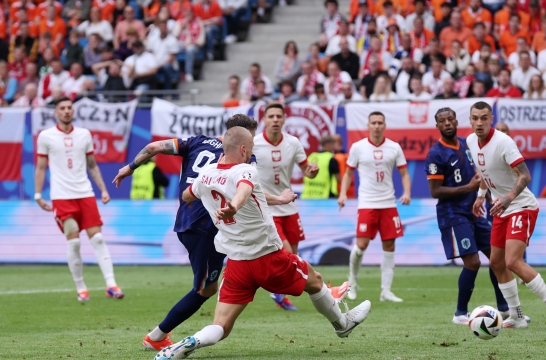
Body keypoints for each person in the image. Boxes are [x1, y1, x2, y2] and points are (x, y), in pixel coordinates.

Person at [155, 127, 371, 360]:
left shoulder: (206, 174)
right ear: (244, 149)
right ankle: (342, 324)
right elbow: (244, 190)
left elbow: (188, 195)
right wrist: (234, 206)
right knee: (315, 281)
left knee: (222, 326)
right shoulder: (246, 170)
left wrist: (215, 197)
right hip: (268, 257)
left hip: (237, 265)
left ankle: (192, 341)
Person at [113, 114, 299, 351]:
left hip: (189, 221)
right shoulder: (245, 158)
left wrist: (130, 167)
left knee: (224, 276)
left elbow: (153, 147)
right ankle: (157, 336)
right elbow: (250, 192)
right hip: (207, 228)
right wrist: (280, 199)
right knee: (206, 288)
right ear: (242, 137)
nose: (251, 144)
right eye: (251, 138)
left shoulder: (196, 141)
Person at [467, 101, 546, 330]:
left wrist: (508, 198)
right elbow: (485, 172)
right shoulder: (471, 141)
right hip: (501, 209)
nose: (479, 122)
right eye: (475, 118)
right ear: (470, 120)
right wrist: (481, 195)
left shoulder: (504, 142)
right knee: (496, 262)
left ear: (491, 119)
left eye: (484, 118)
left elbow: (525, 175)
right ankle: (517, 316)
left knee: (512, 261)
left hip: (521, 206)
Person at [426, 107, 511, 324]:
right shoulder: (436, 154)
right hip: (453, 214)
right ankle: (460, 313)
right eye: (442, 120)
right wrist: (468, 187)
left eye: (450, 119)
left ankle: (505, 311)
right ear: (437, 126)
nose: (447, 123)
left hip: (474, 210)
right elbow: (435, 191)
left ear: (456, 121)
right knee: (472, 262)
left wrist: (487, 196)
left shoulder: (467, 144)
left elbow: (479, 174)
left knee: (497, 259)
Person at [35, 97, 124, 302]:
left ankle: (111, 285)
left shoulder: (84, 134)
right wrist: (38, 195)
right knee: (74, 242)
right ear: (55, 112)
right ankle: (81, 288)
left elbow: (92, 165)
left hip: (85, 193)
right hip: (61, 196)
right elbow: (40, 167)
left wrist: (103, 189)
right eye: (62, 108)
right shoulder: (46, 136)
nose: (66, 111)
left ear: (73, 111)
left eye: (69, 108)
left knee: (98, 238)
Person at [253, 103, 321, 310]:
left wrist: (313, 171)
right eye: (271, 116)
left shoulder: (293, 142)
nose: (275, 120)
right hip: (267, 206)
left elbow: (307, 171)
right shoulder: (254, 143)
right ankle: (279, 291)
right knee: (287, 253)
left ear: (284, 120)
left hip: (289, 206)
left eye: (278, 117)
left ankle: (280, 292)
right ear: (264, 120)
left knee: (295, 256)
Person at [338, 111, 411, 303]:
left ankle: (385, 291)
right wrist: (343, 193)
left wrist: (407, 192)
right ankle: (351, 283)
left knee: (389, 246)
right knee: (361, 246)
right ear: (369, 125)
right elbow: (347, 173)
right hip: (367, 203)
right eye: (374, 123)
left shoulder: (394, 147)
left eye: (380, 122)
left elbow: (404, 173)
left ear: (384, 125)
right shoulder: (358, 147)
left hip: (388, 203)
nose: (377, 126)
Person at [173, 7, 205, 83]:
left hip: (194, 45)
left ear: (193, 14)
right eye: (186, 13)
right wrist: (182, 27)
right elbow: (174, 37)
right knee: (172, 48)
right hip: (180, 44)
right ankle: (175, 71)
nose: (188, 15)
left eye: (190, 13)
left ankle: (188, 73)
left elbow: (202, 41)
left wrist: (190, 43)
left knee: (190, 49)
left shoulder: (199, 23)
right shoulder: (179, 23)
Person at [147, 20, 180, 92]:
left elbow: (171, 58)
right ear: (158, 28)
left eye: (164, 26)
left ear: (167, 27)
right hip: (155, 65)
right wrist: (153, 66)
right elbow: (150, 54)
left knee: (166, 67)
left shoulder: (173, 40)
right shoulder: (153, 39)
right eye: (160, 26)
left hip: (168, 66)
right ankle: (153, 95)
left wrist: (158, 66)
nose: (162, 28)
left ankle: (167, 92)